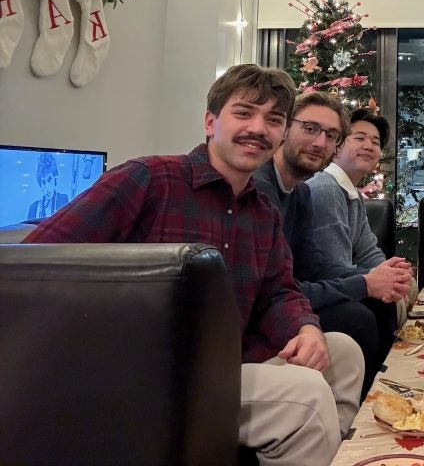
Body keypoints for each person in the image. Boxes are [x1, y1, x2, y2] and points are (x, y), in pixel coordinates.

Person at [24, 64, 364, 466]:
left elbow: (279, 291)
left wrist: (303, 327)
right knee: (305, 398)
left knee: (343, 351)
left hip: (226, 361)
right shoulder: (149, 179)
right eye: (243, 113)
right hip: (150, 374)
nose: (258, 128)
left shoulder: (263, 212)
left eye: (273, 120)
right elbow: (36, 260)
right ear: (210, 121)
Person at [253, 91, 381, 398]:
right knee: (358, 315)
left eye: (331, 135)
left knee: (373, 303)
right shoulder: (257, 188)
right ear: (284, 128)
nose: (320, 143)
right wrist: (364, 283)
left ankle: (375, 401)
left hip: (287, 298)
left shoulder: (300, 193)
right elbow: (275, 289)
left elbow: (318, 265)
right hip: (263, 313)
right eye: (309, 129)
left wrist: (379, 277)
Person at [305, 107, 414, 389]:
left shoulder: (351, 192)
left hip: (338, 282)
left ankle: (390, 378)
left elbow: (369, 252)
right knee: (373, 306)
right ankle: (376, 391)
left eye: (375, 142)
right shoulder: (325, 188)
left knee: (394, 290)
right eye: (360, 138)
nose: (369, 146)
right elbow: (333, 266)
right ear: (338, 144)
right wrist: (378, 281)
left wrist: (392, 275)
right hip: (315, 291)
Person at [27, 153, 69, 220]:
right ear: (40, 185)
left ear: (55, 180)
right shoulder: (33, 208)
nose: (47, 188)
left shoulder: (63, 199)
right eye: (43, 182)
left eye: (49, 180)